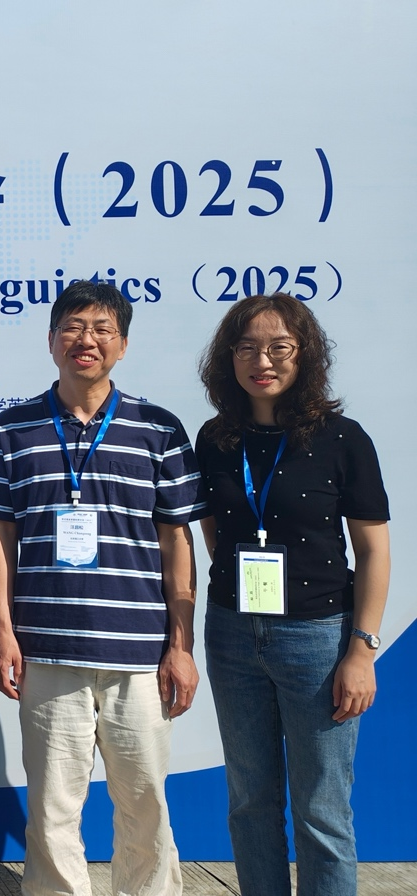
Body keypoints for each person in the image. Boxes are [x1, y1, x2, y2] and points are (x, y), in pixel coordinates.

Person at [0, 280, 202, 896]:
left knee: (146, 806)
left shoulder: (159, 429)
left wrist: (181, 645)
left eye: (103, 329)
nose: (87, 340)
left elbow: (177, 542)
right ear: (51, 340)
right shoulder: (13, 429)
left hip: (139, 655)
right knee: (52, 810)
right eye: (74, 327)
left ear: (123, 345)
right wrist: (4, 632)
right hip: (47, 651)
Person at [194, 294, 389, 896]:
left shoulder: (342, 438)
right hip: (232, 634)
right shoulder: (216, 438)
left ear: (305, 354)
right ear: (228, 358)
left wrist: (360, 650)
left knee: (321, 808)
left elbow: (374, 551)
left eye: (280, 347)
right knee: (249, 800)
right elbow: (214, 531)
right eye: (247, 347)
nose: (263, 361)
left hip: (318, 639)